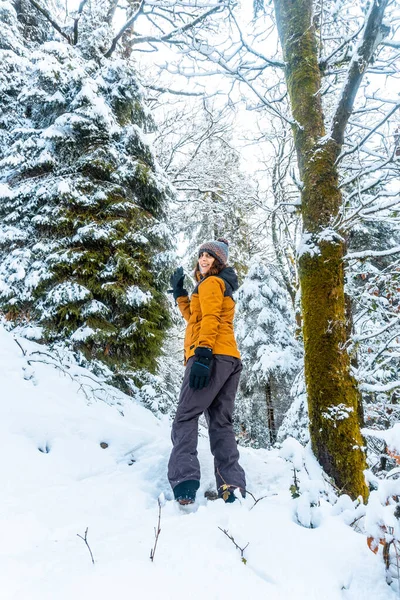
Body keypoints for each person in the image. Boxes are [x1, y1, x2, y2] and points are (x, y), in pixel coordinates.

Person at [168, 238, 246, 505]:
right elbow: (195, 317)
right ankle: (232, 486)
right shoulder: (218, 285)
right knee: (220, 422)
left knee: (186, 415)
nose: (203, 259)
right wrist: (179, 293)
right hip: (230, 359)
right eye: (201, 254)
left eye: (209, 256)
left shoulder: (211, 283)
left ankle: (185, 481)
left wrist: (202, 354)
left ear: (218, 262)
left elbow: (210, 319)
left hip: (211, 354)